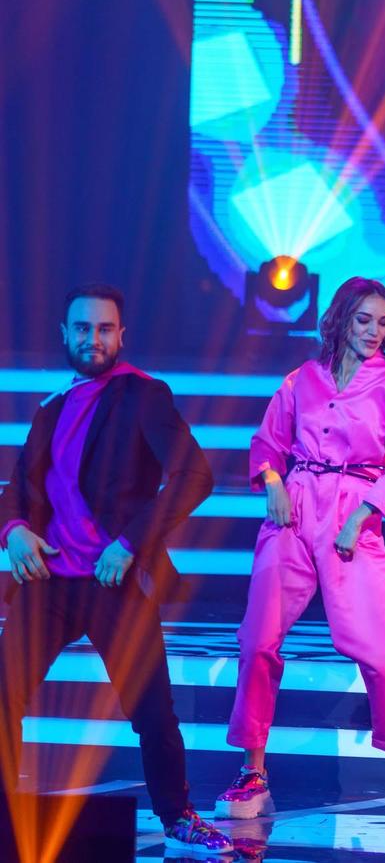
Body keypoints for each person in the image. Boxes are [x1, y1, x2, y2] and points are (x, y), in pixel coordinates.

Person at [0, 284, 232, 855]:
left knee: (153, 713)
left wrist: (129, 543)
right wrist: (15, 531)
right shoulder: (52, 407)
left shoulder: (143, 395)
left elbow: (195, 475)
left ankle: (178, 819)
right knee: (3, 695)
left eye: (104, 329)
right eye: (83, 328)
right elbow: (17, 491)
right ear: (65, 334)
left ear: (120, 336)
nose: (93, 339)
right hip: (48, 581)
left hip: (115, 580)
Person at [217, 277, 385, 825]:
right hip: (294, 508)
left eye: (383, 323)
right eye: (364, 320)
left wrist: (362, 516)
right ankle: (252, 772)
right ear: (340, 320)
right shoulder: (303, 379)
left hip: (352, 513)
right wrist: (273, 482)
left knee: (377, 648)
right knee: (257, 640)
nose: (374, 331)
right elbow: (267, 443)